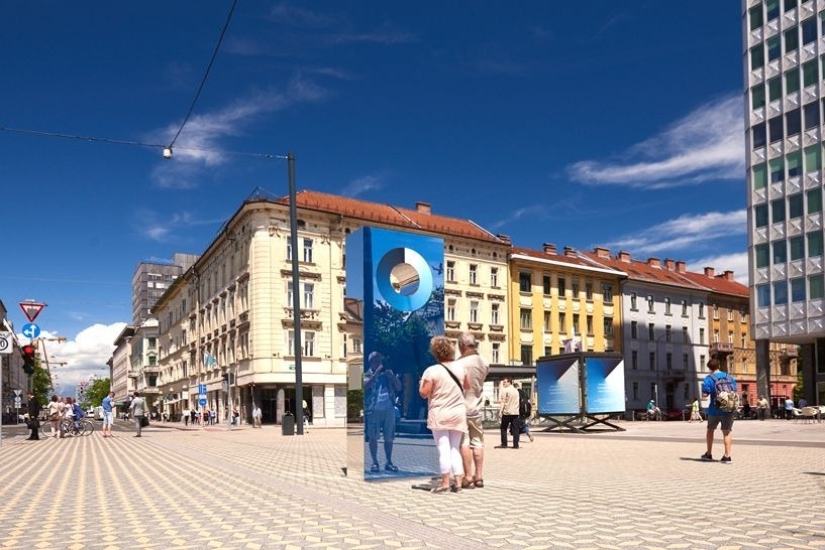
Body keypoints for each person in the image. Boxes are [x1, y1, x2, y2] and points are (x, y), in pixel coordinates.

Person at [419, 336, 469, 493]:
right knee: (455, 448)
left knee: (443, 449)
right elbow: (467, 386)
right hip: (458, 413)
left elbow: (424, 393)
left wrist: (421, 385)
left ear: (435, 352)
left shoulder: (432, 371)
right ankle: (458, 482)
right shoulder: (461, 368)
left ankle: (445, 483)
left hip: (440, 413)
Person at [453, 332, 489, 489]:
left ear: (462, 345)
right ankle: (479, 476)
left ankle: (468, 476)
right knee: (478, 442)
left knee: (464, 442)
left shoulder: (458, 364)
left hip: (461, 408)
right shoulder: (484, 362)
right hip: (476, 408)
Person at [364, 351, 402, 473]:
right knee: (373, 437)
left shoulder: (388, 373)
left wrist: (392, 377)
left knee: (389, 437)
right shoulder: (367, 374)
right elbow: (364, 387)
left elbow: (399, 387)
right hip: (373, 409)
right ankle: (375, 462)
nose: (379, 363)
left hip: (389, 409)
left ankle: (388, 462)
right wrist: (375, 374)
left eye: (380, 360)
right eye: (376, 361)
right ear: (371, 363)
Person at [701, 358, 737, 463]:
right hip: (728, 408)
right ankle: (727, 456)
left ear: (709, 368)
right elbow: (734, 390)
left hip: (714, 409)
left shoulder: (709, 378)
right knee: (727, 432)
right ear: (719, 366)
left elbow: (704, 395)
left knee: (710, 430)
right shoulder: (729, 377)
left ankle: (709, 454)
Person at [495, 378, 521, 449]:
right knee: (515, 429)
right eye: (503, 382)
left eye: (505, 382)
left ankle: (504, 444)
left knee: (503, 428)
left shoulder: (505, 390)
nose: (504, 384)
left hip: (507, 412)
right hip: (515, 412)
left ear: (509, 382)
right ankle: (516, 445)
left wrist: (500, 411)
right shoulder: (516, 391)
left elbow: (503, 402)